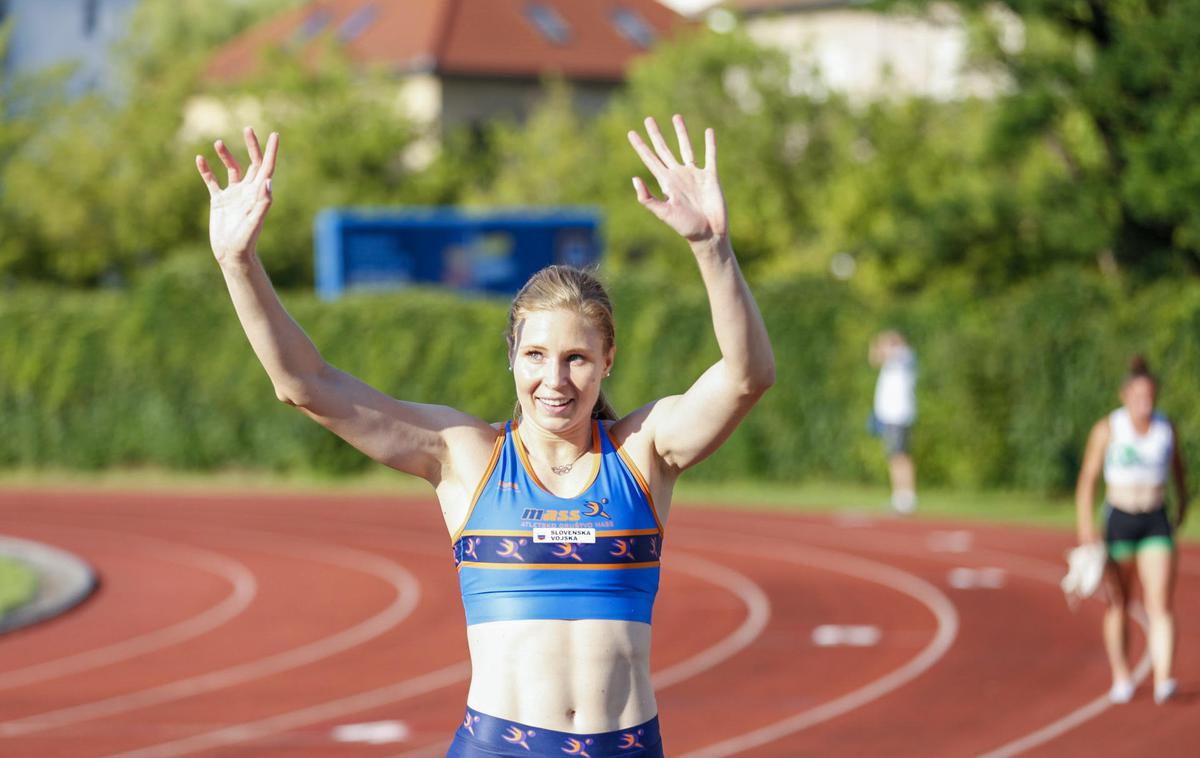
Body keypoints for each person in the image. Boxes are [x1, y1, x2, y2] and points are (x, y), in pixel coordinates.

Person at [194, 115, 775, 757]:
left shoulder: (645, 451)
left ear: (608, 360)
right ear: (512, 357)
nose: (555, 379)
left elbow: (747, 377)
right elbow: (305, 384)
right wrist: (238, 262)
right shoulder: (465, 457)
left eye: (577, 358)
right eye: (536, 356)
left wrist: (711, 247)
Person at [1075, 356, 1187, 705]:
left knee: (1159, 604)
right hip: (1120, 520)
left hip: (1155, 519)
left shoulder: (1165, 428)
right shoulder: (1109, 429)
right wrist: (1085, 526)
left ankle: (1163, 676)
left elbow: (1179, 471)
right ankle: (1122, 674)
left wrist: (1183, 503)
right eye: (1138, 396)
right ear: (1125, 396)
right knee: (1120, 603)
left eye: (1150, 396)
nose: (1145, 403)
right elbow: (1088, 480)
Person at [868, 330, 917, 513]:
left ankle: (906, 498)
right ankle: (900, 496)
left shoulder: (904, 354)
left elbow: (879, 355)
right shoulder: (893, 361)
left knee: (900, 456)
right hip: (890, 416)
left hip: (899, 415)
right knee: (894, 456)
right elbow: (874, 360)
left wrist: (878, 342)